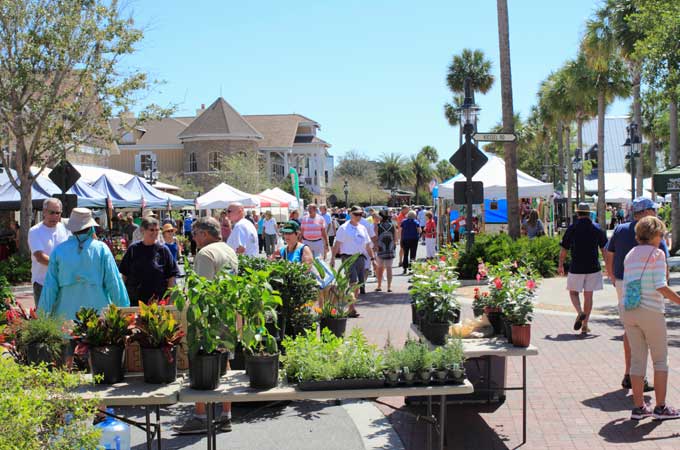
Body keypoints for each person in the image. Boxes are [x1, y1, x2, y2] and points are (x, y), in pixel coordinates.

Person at [176, 217, 238, 434]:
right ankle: (225, 415)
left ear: (204, 233)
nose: (194, 238)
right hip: (228, 313)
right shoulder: (228, 250)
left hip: (209, 317)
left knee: (200, 361)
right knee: (225, 362)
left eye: (195, 234)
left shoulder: (205, 253)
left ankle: (200, 416)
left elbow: (201, 292)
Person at [605, 197, 668, 392]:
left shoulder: (621, 229)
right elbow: (663, 268)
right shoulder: (653, 232)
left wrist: (613, 276)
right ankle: (645, 382)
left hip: (625, 282)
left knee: (630, 328)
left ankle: (629, 373)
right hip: (648, 285)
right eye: (652, 210)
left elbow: (609, 253)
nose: (655, 214)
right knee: (650, 335)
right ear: (644, 212)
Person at [622, 216, 680, 421]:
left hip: (629, 310)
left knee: (637, 361)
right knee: (660, 360)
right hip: (651, 311)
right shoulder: (657, 254)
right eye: (661, 234)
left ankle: (638, 408)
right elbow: (660, 286)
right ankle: (661, 407)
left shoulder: (630, 254)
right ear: (656, 235)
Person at [39, 208, 129, 320]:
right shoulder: (101, 249)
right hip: (98, 315)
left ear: (72, 229)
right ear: (91, 228)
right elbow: (114, 283)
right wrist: (125, 309)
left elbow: (50, 286)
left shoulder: (59, 251)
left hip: (65, 315)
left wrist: (41, 315)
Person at [558, 203, 607, 335]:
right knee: (588, 296)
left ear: (577, 213)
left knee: (573, 292)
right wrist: (607, 267)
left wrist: (561, 264)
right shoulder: (597, 229)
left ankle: (580, 312)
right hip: (593, 267)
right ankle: (585, 325)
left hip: (576, 267)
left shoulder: (572, 228)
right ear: (589, 213)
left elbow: (564, 249)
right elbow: (604, 250)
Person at [119, 217, 180, 305]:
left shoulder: (163, 250)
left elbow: (171, 276)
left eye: (157, 230)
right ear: (143, 230)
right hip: (135, 301)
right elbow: (124, 274)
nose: (155, 233)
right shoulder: (133, 249)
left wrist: (170, 300)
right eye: (151, 230)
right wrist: (122, 297)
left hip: (158, 302)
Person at [330, 205, 376, 315]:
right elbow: (337, 244)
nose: (359, 216)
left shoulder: (362, 228)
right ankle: (351, 307)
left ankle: (351, 306)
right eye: (356, 214)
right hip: (348, 258)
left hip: (360, 257)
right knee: (353, 283)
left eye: (360, 214)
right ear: (350, 214)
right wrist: (332, 258)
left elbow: (367, 245)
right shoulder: (344, 228)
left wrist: (373, 258)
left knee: (358, 285)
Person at [28, 198, 71, 307]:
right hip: (42, 283)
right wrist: (63, 265)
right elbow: (40, 257)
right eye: (52, 212)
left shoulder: (65, 229)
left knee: (63, 319)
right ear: (44, 212)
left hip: (62, 282)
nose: (55, 216)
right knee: (44, 319)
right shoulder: (35, 231)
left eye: (58, 213)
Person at [375, 209, 396, 292]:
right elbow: (395, 238)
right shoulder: (392, 225)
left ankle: (379, 285)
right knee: (389, 268)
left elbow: (376, 237)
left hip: (381, 248)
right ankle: (389, 287)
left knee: (380, 268)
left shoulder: (378, 226)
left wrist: (376, 246)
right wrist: (393, 245)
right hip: (390, 248)